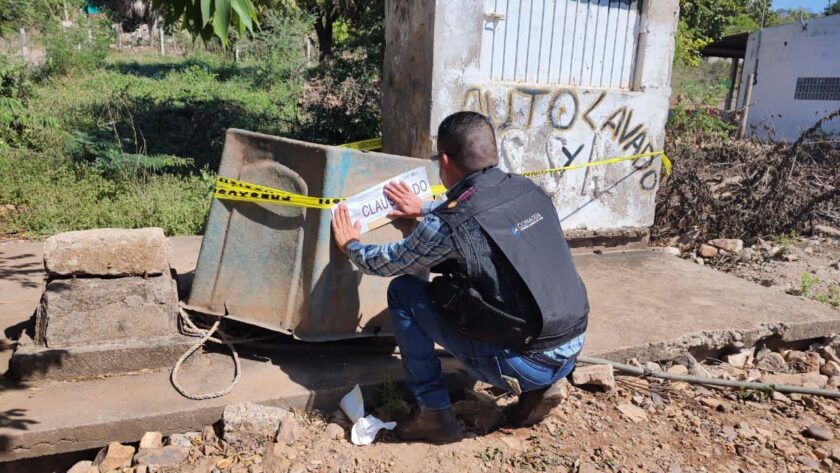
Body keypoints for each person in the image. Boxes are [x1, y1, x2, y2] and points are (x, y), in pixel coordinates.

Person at [331, 111, 589, 443]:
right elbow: (477, 214)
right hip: (572, 344)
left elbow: (388, 262)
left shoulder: (449, 223)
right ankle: (540, 388)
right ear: (492, 151)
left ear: (444, 160)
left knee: (404, 293)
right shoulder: (528, 190)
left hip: (528, 359)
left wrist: (350, 245)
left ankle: (433, 415)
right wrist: (425, 209)